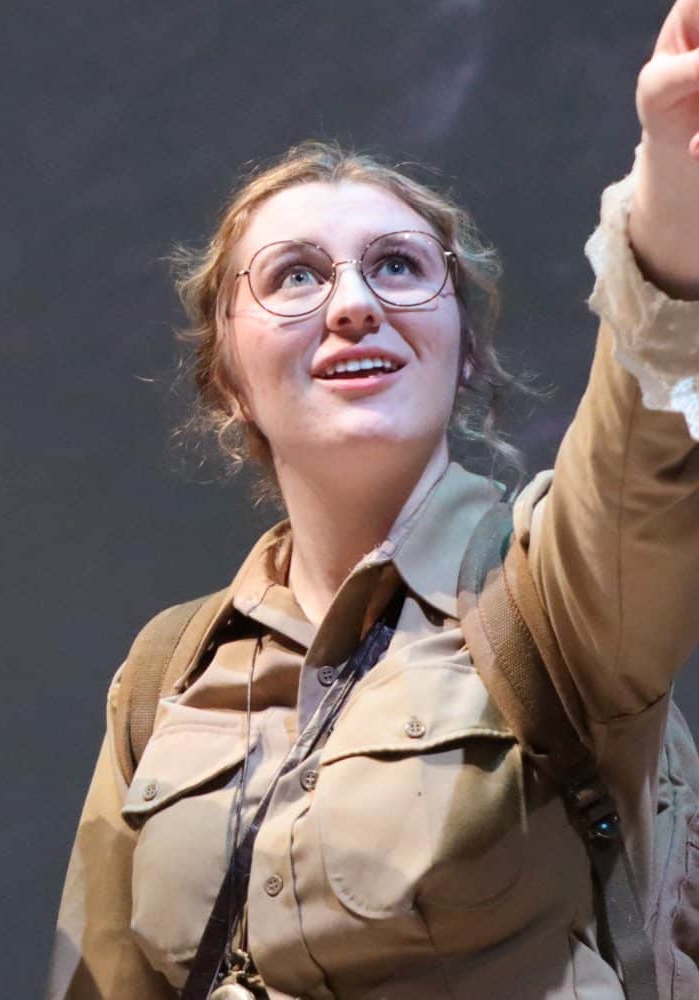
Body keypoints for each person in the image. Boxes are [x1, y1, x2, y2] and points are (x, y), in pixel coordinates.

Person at [49, 4, 699, 996]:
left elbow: (641, 452)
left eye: (397, 266)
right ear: (228, 378)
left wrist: (671, 186)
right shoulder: (164, 673)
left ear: (463, 348)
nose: (354, 304)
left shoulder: (553, 597)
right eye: (294, 276)